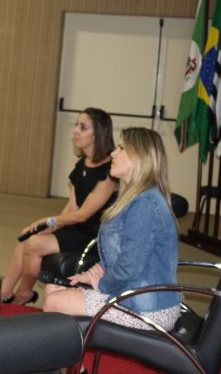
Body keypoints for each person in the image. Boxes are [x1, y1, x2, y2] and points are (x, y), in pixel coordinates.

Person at [43, 127, 181, 332]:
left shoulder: (145, 205)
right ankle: (72, 353)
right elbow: (123, 254)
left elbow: (128, 268)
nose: (113, 153)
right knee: (51, 289)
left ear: (139, 157)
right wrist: (91, 274)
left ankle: (67, 354)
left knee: (54, 301)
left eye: (121, 148)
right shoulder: (137, 198)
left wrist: (101, 285)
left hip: (148, 309)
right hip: (135, 295)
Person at [1, 108, 117, 305]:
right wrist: (52, 226)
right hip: (76, 228)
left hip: (93, 235)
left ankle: (23, 294)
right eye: (76, 125)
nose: (75, 131)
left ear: (98, 133)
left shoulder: (108, 172)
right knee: (26, 237)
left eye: (83, 127)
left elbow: (83, 215)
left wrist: (48, 221)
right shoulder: (82, 163)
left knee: (33, 245)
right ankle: (3, 294)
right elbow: (72, 207)